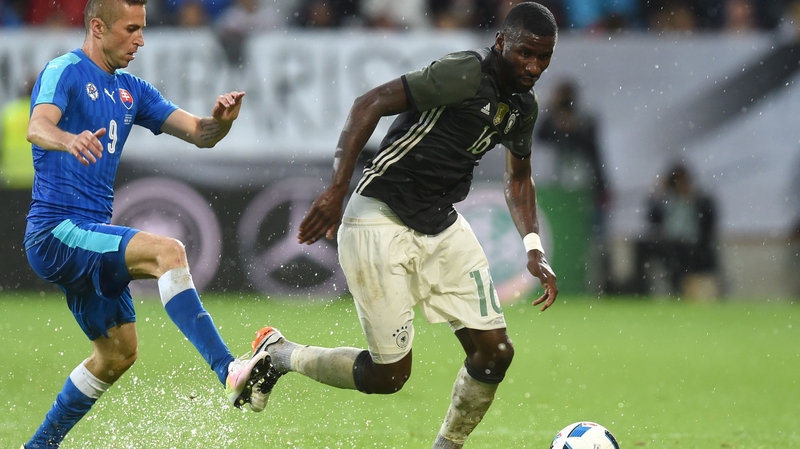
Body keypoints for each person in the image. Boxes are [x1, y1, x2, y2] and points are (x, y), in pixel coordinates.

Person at [248, 3, 560, 448]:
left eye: (543, 57)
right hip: (380, 216)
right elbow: (369, 103)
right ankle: (279, 356)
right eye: (525, 53)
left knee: (496, 353)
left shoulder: (522, 107)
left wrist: (533, 247)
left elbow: (518, 177)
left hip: (441, 224)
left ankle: (447, 445)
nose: (533, 66)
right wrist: (338, 188)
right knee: (388, 375)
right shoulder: (465, 74)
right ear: (500, 43)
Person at [21, 1, 277, 447]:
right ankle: (229, 370)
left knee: (118, 355)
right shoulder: (64, 70)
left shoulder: (131, 90)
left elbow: (199, 133)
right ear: (98, 27)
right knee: (168, 252)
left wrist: (220, 122)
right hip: (56, 230)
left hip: (85, 238)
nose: (141, 39)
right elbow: (38, 126)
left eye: (143, 28)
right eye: (132, 29)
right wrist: (68, 139)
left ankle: (39, 445)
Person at [535, 78, 611, 293]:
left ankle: (595, 285)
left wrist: (572, 127)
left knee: (594, 240)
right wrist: (552, 114)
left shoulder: (586, 120)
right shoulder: (552, 121)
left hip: (586, 186)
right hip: (560, 187)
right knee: (561, 235)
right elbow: (540, 136)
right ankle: (566, 277)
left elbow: (592, 149)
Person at [631, 163, 719, 297]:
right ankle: (640, 288)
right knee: (641, 246)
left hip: (691, 243)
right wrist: (658, 194)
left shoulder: (700, 201)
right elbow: (651, 219)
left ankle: (678, 289)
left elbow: (708, 227)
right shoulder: (665, 200)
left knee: (678, 255)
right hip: (668, 241)